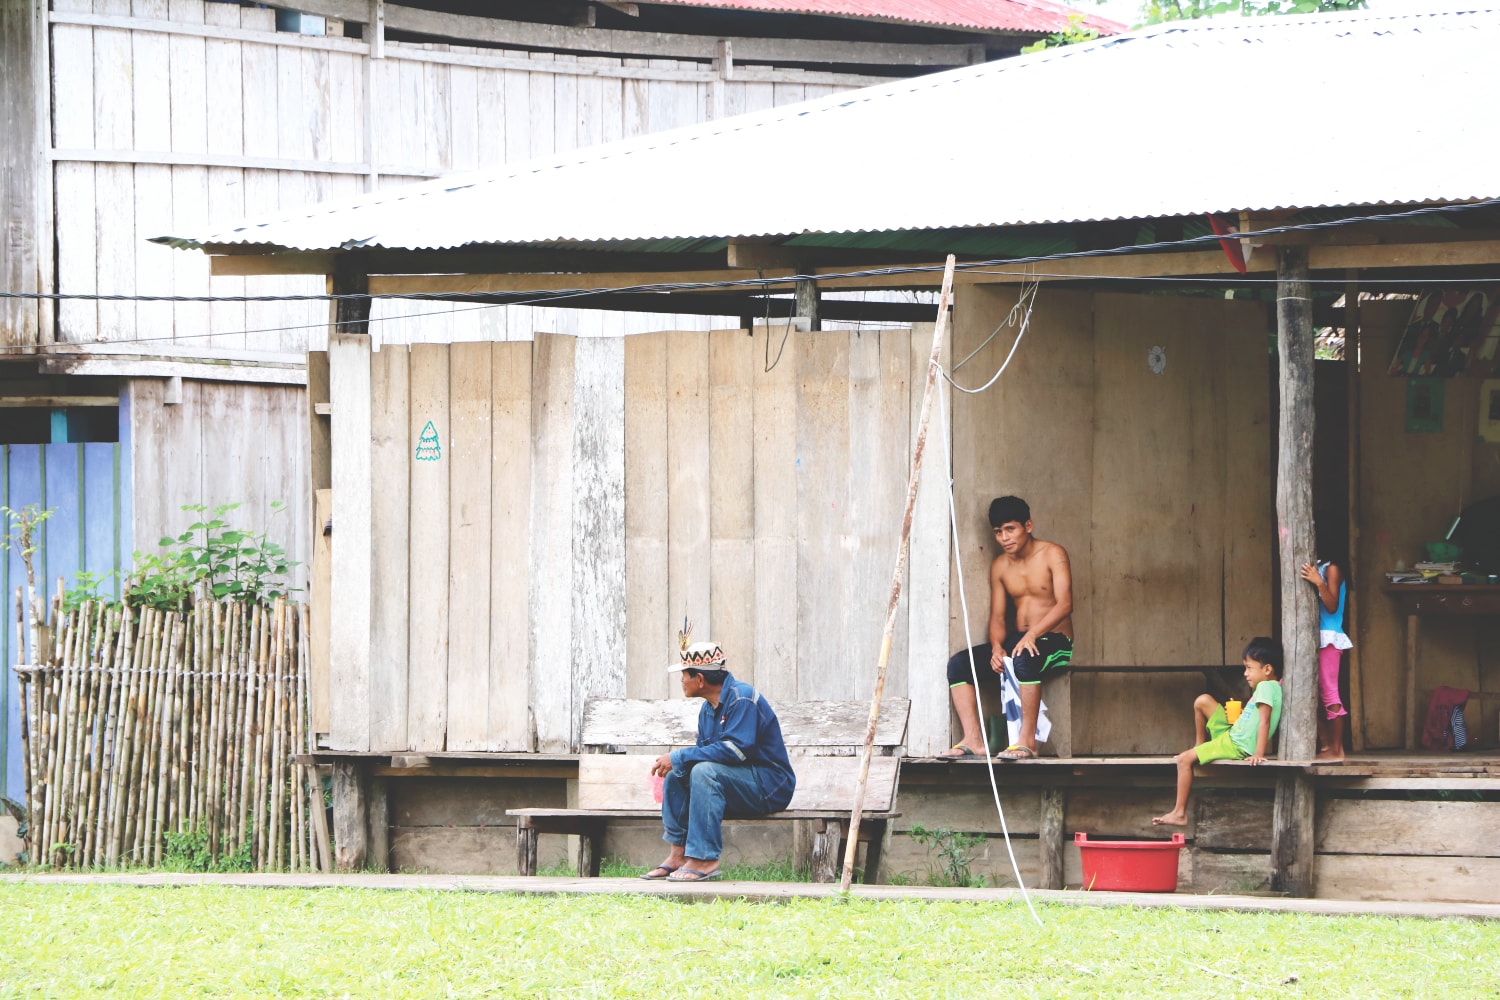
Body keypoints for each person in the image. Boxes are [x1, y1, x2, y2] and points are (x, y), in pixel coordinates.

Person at [642, 640, 797, 882]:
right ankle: (679, 855)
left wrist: (679, 756)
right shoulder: (707, 710)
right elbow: (706, 755)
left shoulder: (742, 699)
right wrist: (678, 762)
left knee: (703, 771)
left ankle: (705, 859)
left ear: (700, 679)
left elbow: (736, 751)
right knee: (677, 775)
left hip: (769, 786)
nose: (681, 680)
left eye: (684, 674)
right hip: (737, 786)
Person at [936, 496, 1074, 761]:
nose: (1004, 538)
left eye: (1010, 529)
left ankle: (1028, 742)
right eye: (998, 532)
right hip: (1017, 640)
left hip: (1055, 640)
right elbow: (998, 617)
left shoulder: (1053, 554)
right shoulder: (1000, 565)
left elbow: (1065, 604)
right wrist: (997, 647)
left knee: (1023, 660)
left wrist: (1034, 633)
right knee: (959, 665)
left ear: (1028, 526)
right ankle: (973, 740)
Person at [1152, 637, 1284, 827]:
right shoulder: (1272, 687)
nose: (1245, 673)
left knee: (1184, 760)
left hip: (1236, 744)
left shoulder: (1264, 687)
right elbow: (1256, 718)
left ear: (1267, 669)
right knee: (1203, 700)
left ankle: (1179, 812)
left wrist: (1258, 754)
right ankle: (1200, 745)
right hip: (1233, 733)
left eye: (1249, 668)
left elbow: (1264, 721)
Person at [1300, 555, 1351, 762]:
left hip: (1329, 638)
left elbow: (1331, 605)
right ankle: (1326, 744)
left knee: (1330, 693)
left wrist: (1319, 581)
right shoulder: (1319, 566)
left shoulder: (1332, 568)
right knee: (1312, 693)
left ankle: (1337, 749)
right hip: (1315, 638)